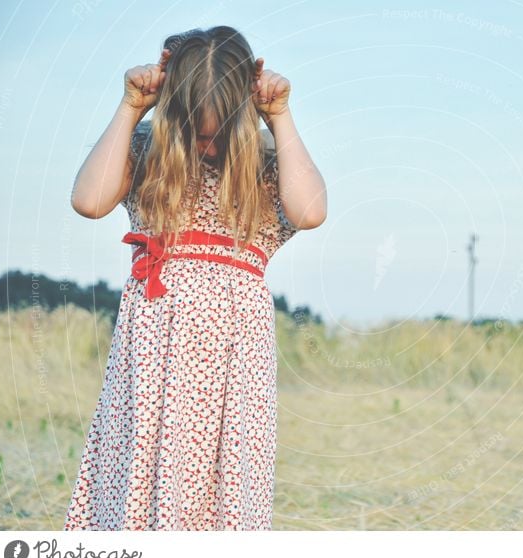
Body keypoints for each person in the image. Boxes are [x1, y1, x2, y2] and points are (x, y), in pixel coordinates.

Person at [64, 25, 327, 530]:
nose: (208, 142)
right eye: (196, 130)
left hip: (235, 353)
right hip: (156, 344)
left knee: (225, 479)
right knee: (144, 465)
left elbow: (311, 211)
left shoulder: (266, 165)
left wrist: (281, 115)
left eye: (220, 130)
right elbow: (88, 200)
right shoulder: (145, 153)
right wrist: (131, 107)